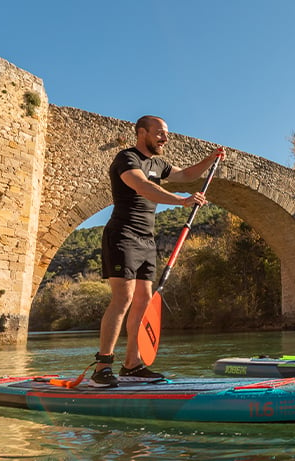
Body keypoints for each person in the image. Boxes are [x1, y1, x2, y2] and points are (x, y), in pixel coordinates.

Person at [91, 115, 223, 388]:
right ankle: (102, 367)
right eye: (160, 133)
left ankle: (132, 365)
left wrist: (211, 158)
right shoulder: (127, 159)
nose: (165, 138)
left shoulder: (159, 163)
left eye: (166, 133)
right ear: (142, 133)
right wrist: (181, 201)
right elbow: (143, 187)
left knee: (143, 300)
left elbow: (185, 175)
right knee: (123, 298)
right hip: (123, 236)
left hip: (147, 240)